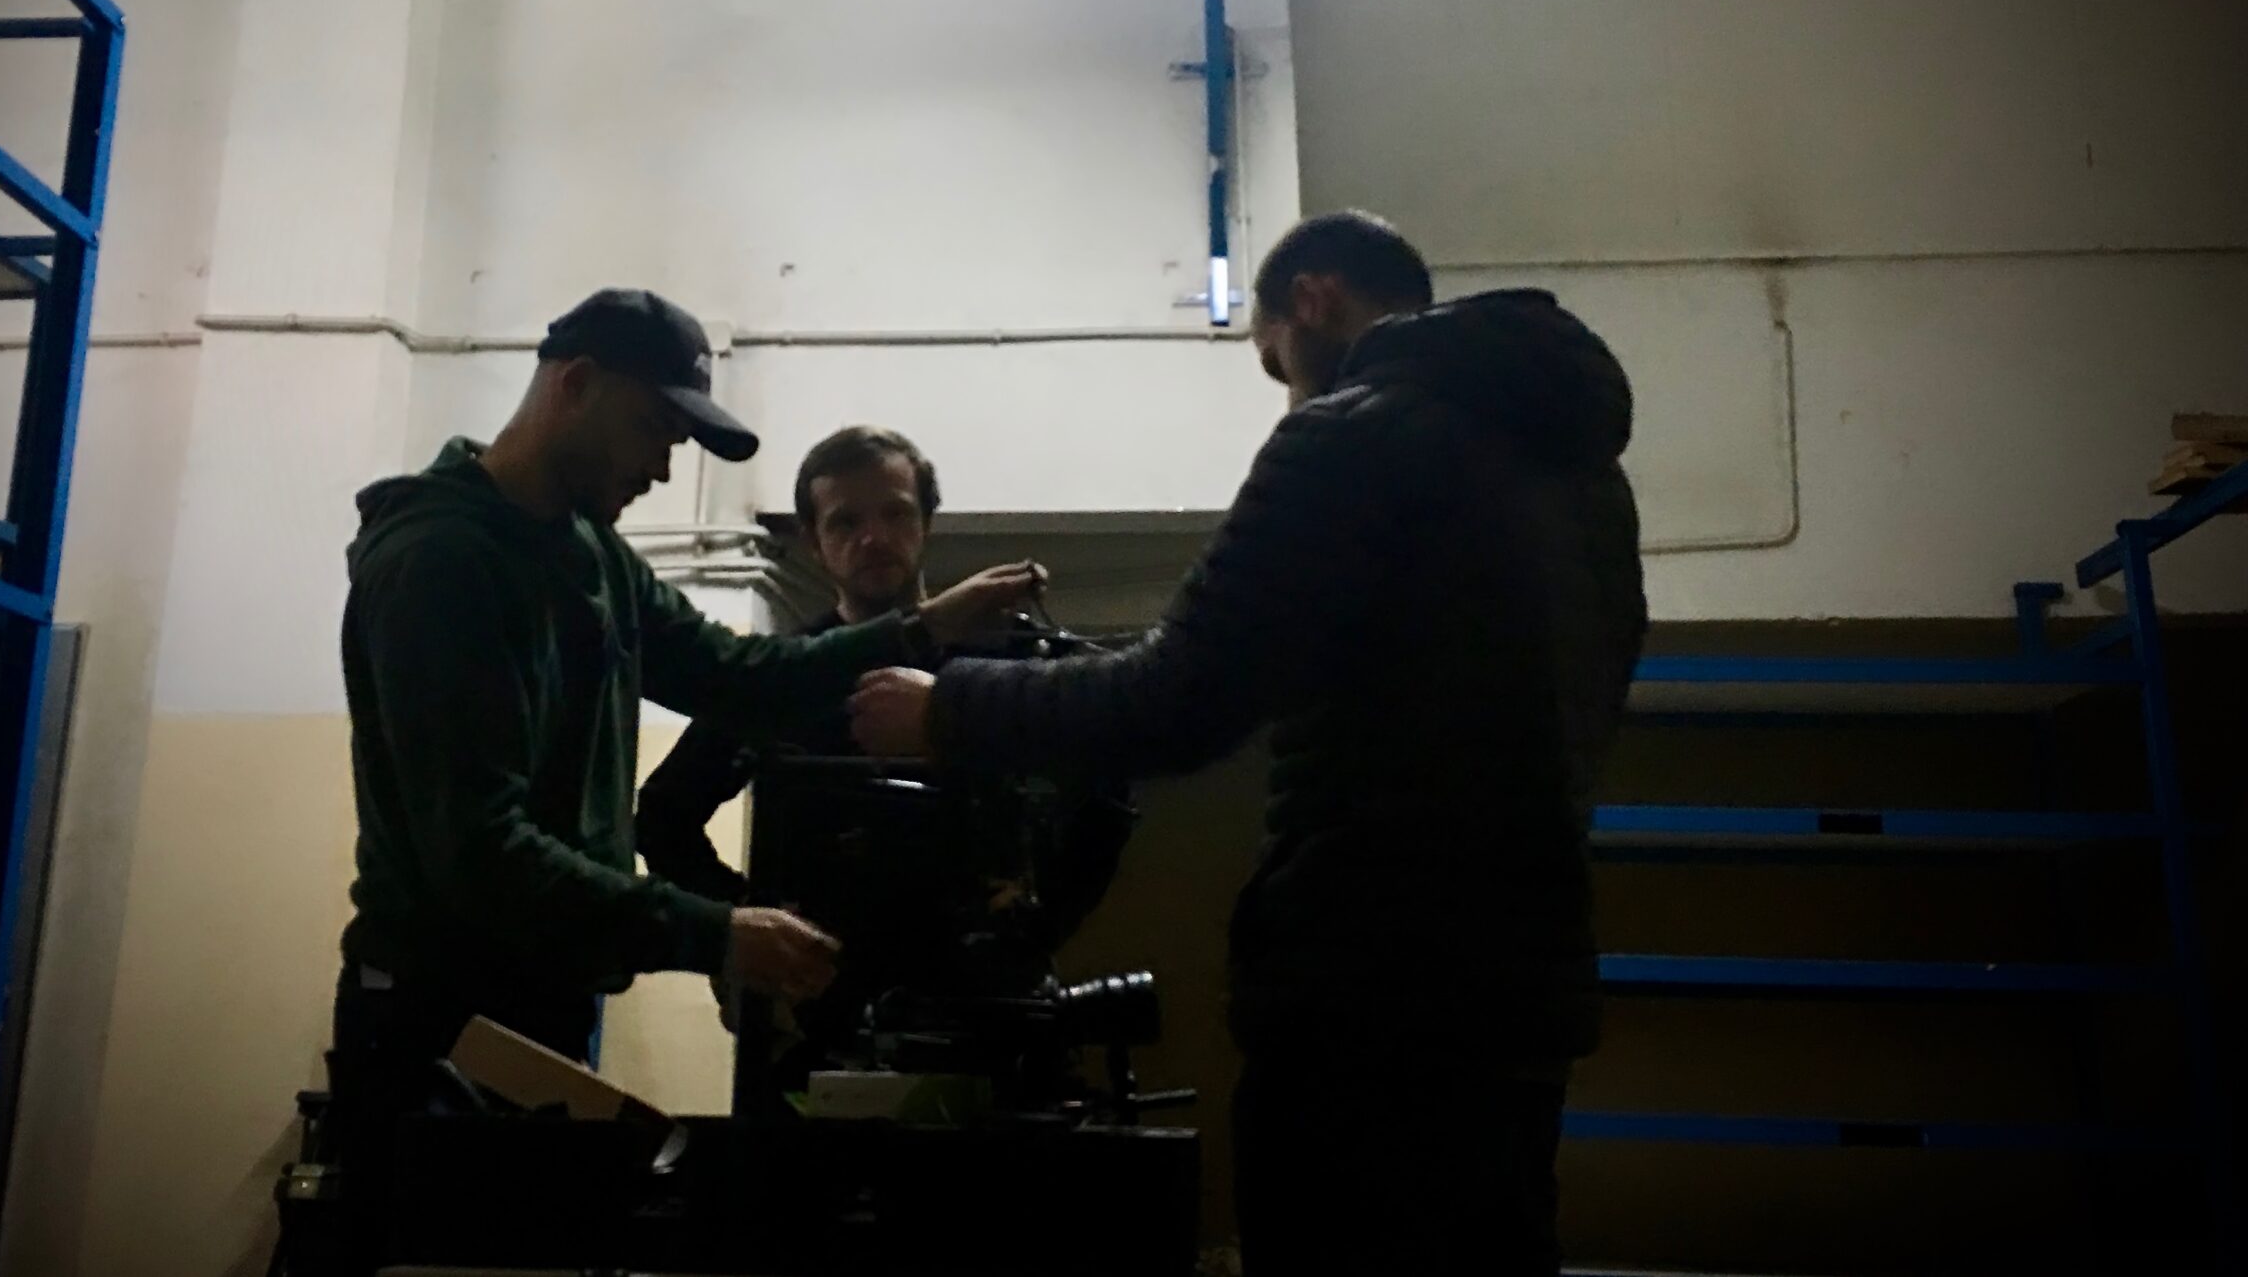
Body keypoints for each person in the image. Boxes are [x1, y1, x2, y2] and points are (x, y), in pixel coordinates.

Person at [850, 213, 1646, 1276]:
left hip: (1367, 1002)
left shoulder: (1351, 433)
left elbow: (1179, 697)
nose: (1286, 393)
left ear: (1312, 301)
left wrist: (951, 708)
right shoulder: (1584, 481)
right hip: (1524, 989)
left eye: (1275, 361)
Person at [330, 289, 1038, 1275]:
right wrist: (715, 930)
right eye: (654, 429)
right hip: (438, 1017)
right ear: (575, 385)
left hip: (547, 1001)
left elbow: (738, 676)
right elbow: (480, 854)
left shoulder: (591, 553)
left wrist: (922, 629)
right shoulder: (441, 562)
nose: (664, 468)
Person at [634, 425, 1133, 1107]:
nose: (873, 537)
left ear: (927, 521)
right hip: (820, 1013)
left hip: (989, 1009)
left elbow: (1105, 791)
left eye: (895, 513)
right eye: (846, 521)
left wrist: (1039, 925)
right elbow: (663, 817)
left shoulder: (1006, 663)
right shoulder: (782, 680)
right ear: (813, 542)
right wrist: (743, 922)